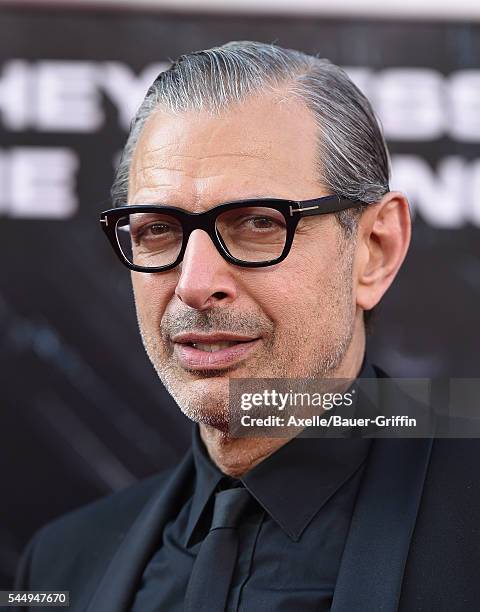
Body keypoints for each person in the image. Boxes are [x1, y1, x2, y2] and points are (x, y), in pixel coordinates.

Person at [15, 41, 480, 612]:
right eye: (157, 229)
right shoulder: (61, 564)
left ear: (375, 250)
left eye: (258, 222)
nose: (193, 283)